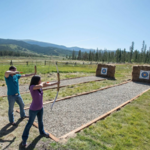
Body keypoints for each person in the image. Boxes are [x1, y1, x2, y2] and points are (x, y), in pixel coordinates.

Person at [22, 75, 59, 146]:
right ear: (37, 81)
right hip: (33, 109)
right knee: (29, 123)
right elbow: (41, 85)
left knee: (40, 121)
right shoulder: (32, 87)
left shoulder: (39, 87)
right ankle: (24, 139)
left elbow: (48, 84)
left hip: (40, 108)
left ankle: (42, 132)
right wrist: (42, 83)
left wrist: (56, 83)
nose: (41, 81)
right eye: (40, 80)